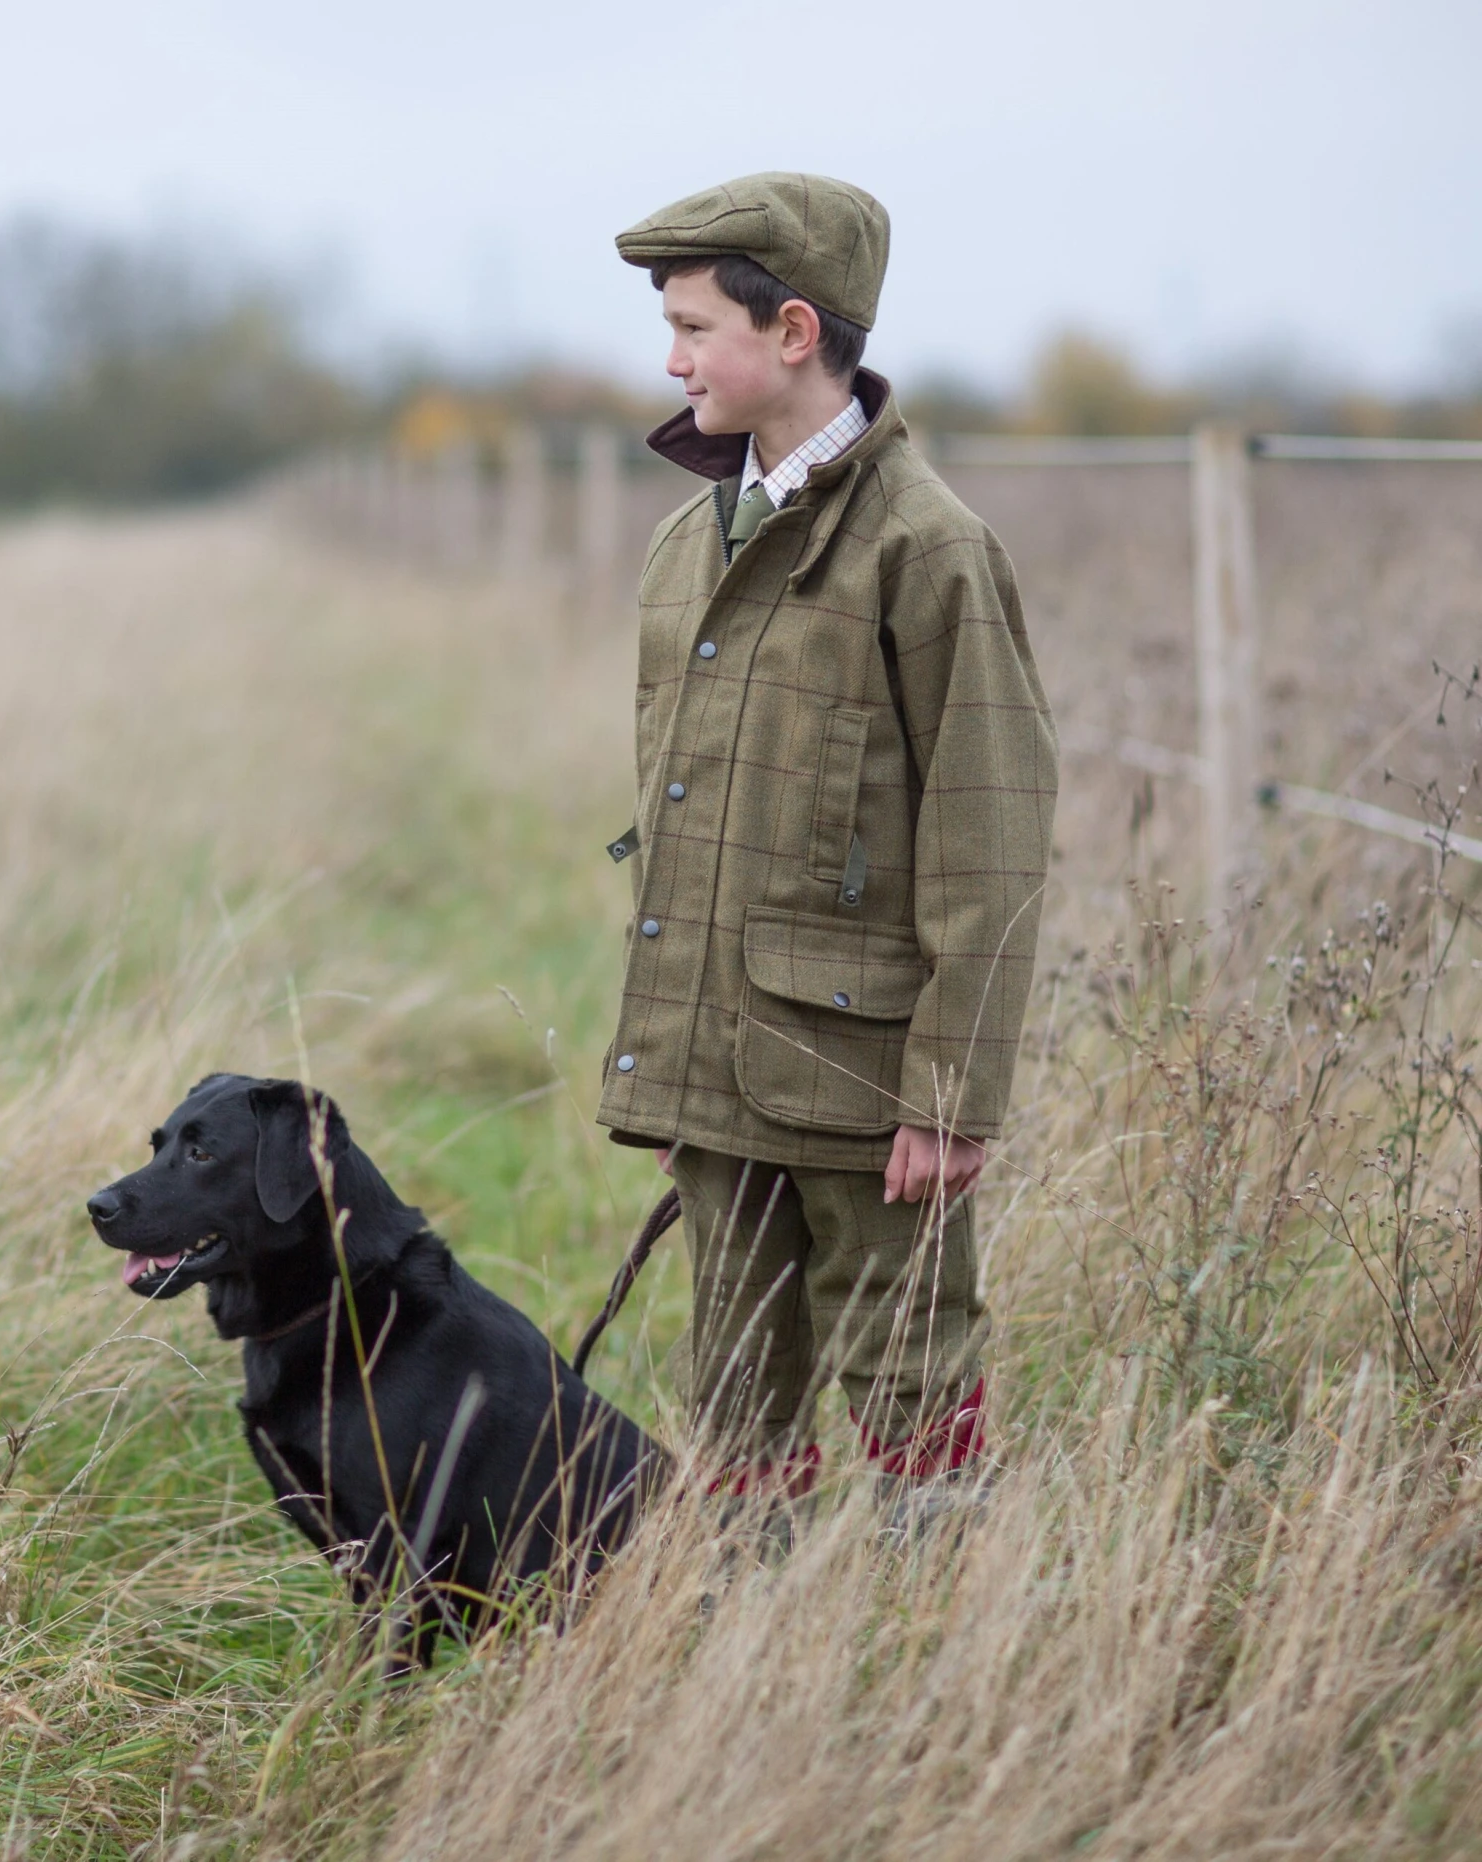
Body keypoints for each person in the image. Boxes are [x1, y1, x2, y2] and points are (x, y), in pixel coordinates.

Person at [597, 172, 1057, 1513]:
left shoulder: (931, 549)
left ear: (793, 332)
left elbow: (993, 826)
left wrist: (953, 1090)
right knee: (738, 1382)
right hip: (718, 1062)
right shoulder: (688, 545)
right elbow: (682, 811)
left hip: (866, 1079)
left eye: (694, 328)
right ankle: (760, 1670)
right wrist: (676, 1063)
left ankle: (946, 1659)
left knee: (912, 1372)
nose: (670, 358)